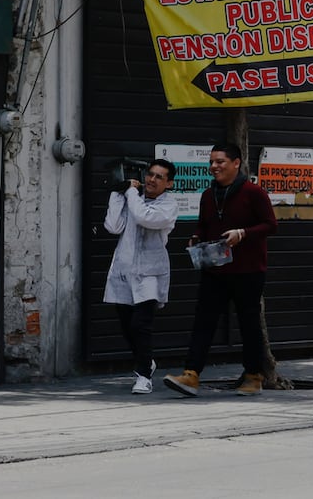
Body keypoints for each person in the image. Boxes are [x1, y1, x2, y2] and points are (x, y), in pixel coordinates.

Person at [163, 143, 278, 398]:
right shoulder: (208, 194)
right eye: (212, 161)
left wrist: (243, 233)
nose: (214, 166)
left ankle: (253, 376)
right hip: (214, 269)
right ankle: (191, 374)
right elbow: (204, 225)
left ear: (236, 163)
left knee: (249, 324)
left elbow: (271, 225)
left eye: (220, 161)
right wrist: (196, 236)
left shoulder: (253, 192)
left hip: (248, 270)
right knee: (204, 321)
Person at [103, 158, 178, 394]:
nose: (151, 180)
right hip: (124, 272)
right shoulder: (132, 198)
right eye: (150, 174)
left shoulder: (168, 205)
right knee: (127, 325)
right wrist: (118, 193)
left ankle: (144, 376)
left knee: (141, 324)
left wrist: (131, 194)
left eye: (158, 177)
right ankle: (146, 361)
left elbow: (145, 217)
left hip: (150, 273)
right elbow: (113, 226)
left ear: (169, 184)